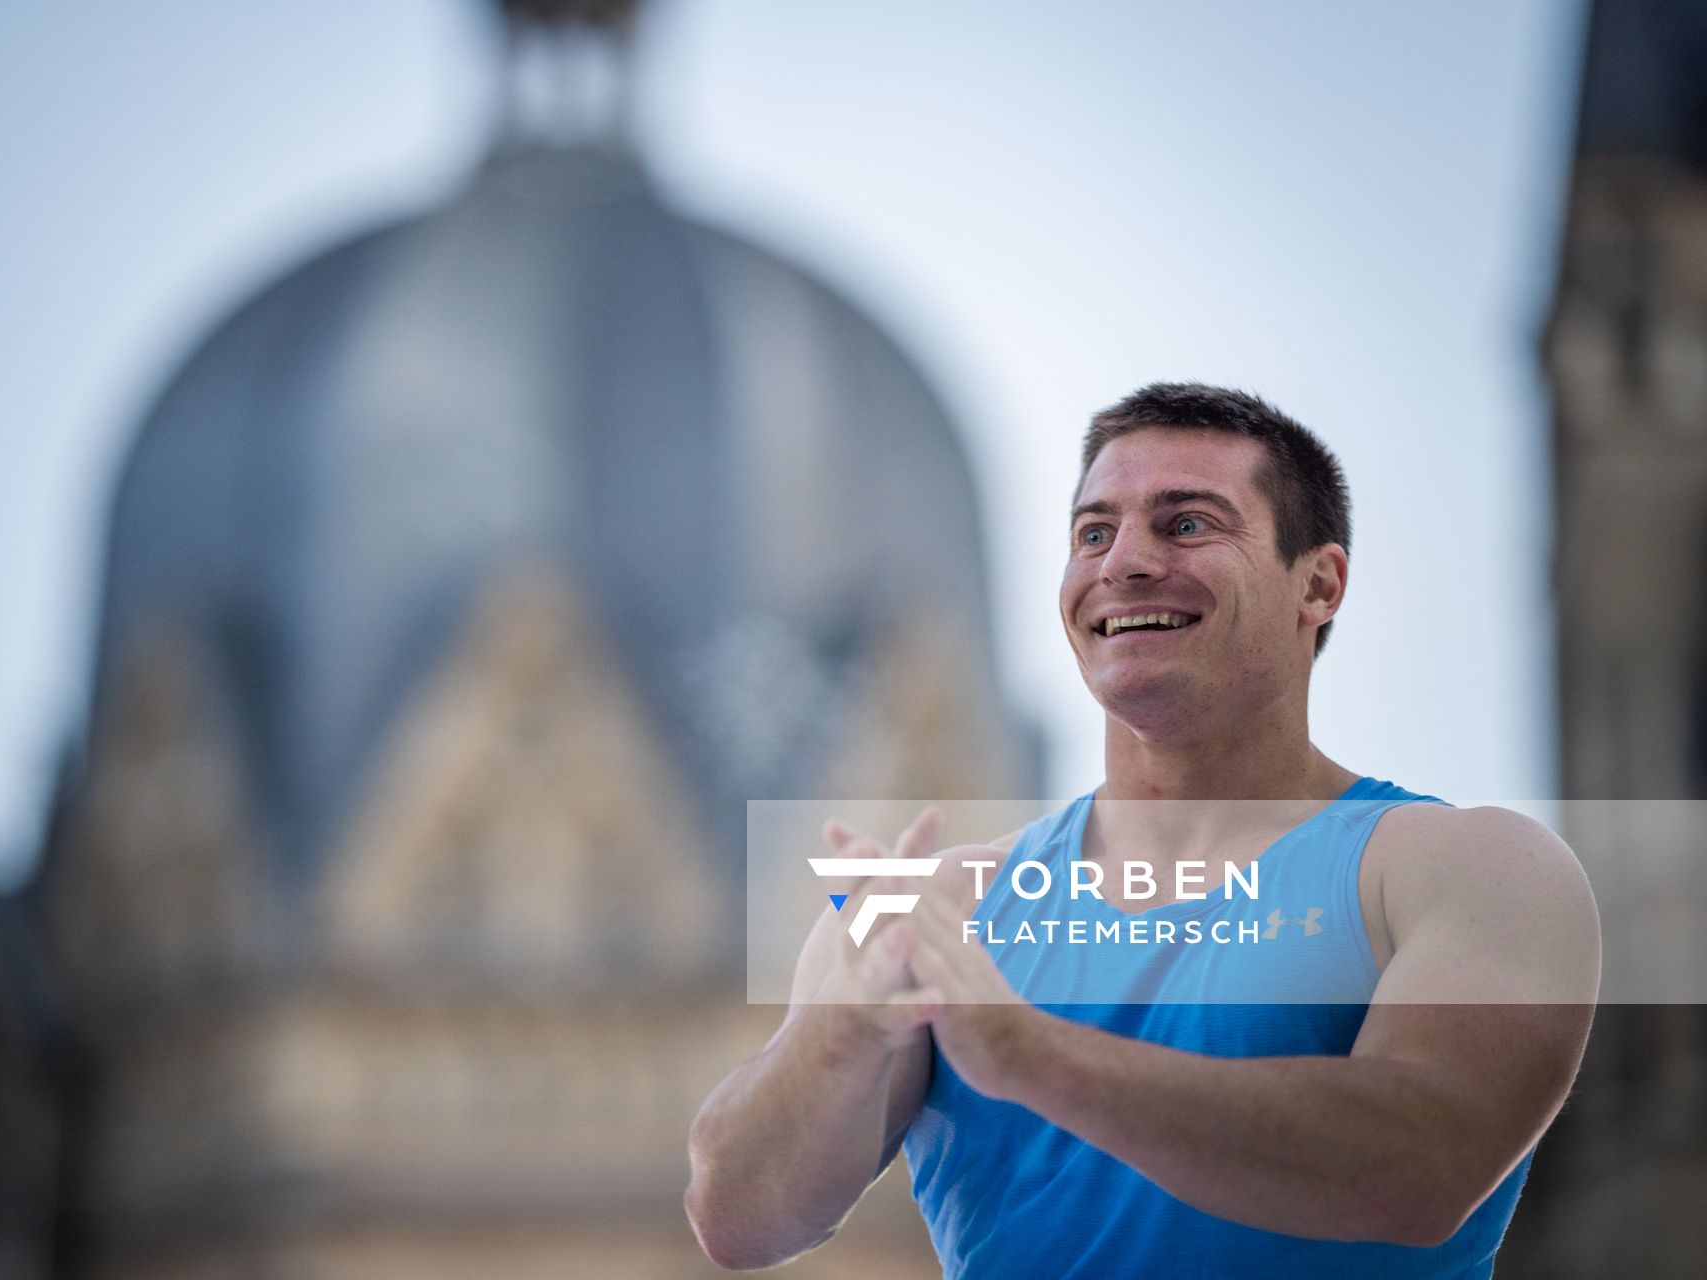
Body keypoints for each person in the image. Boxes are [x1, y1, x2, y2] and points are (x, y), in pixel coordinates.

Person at [683, 383, 1600, 1277]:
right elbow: (740, 1219)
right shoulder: (937, 907)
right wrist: (836, 1037)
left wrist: (1030, 1055)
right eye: (1093, 532)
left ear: (1317, 584)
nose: (1122, 562)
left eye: (1187, 523)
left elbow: (1421, 1168)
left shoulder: (1470, 868)